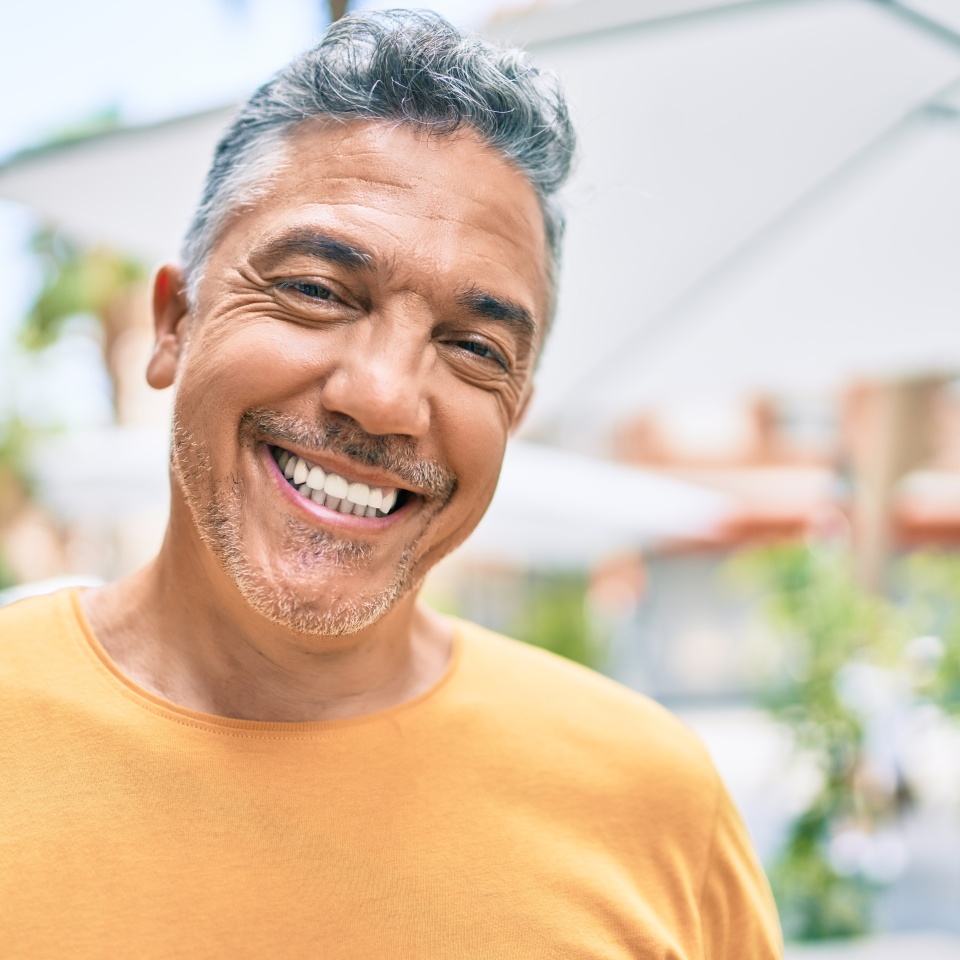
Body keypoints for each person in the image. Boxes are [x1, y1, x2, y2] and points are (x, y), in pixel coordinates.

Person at [0, 10, 781, 958]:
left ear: (515, 416)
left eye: (473, 347)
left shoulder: (654, 802)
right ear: (175, 324)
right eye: (320, 291)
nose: (382, 398)